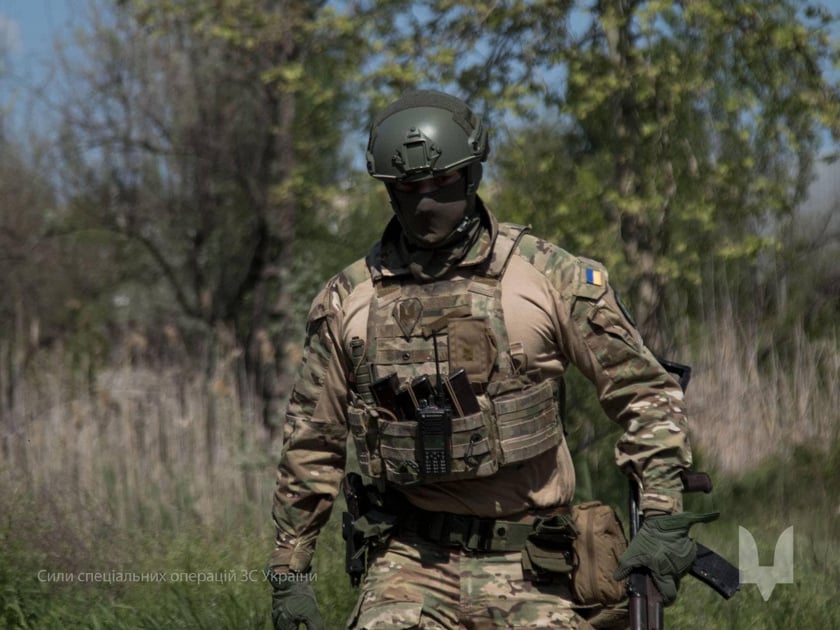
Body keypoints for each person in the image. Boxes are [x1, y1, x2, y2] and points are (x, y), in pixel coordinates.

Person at [268, 89, 712, 629]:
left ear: (472, 174)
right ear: (388, 191)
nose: (425, 201)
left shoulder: (549, 278)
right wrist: (290, 573)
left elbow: (643, 390)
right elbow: (311, 444)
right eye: (408, 188)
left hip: (537, 560)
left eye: (440, 184)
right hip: (409, 560)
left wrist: (663, 512)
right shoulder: (347, 301)